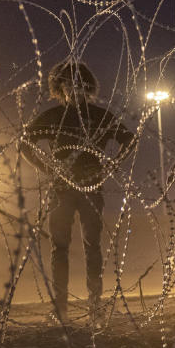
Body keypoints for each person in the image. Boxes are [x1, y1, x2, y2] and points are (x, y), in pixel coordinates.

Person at [21, 61, 134, 323]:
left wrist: (109, 167)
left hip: (90, 187)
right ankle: (61, 308)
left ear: (89, 87)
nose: (77, 90)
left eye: (82, 85)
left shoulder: (100, 115)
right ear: (61, 87)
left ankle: (94, 305)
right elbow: (25, 143)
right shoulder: (54, 116)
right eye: (71, 85)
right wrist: (48, 169)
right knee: (61, 248)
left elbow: (129, 140)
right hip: (62, 188)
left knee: (91, 246)